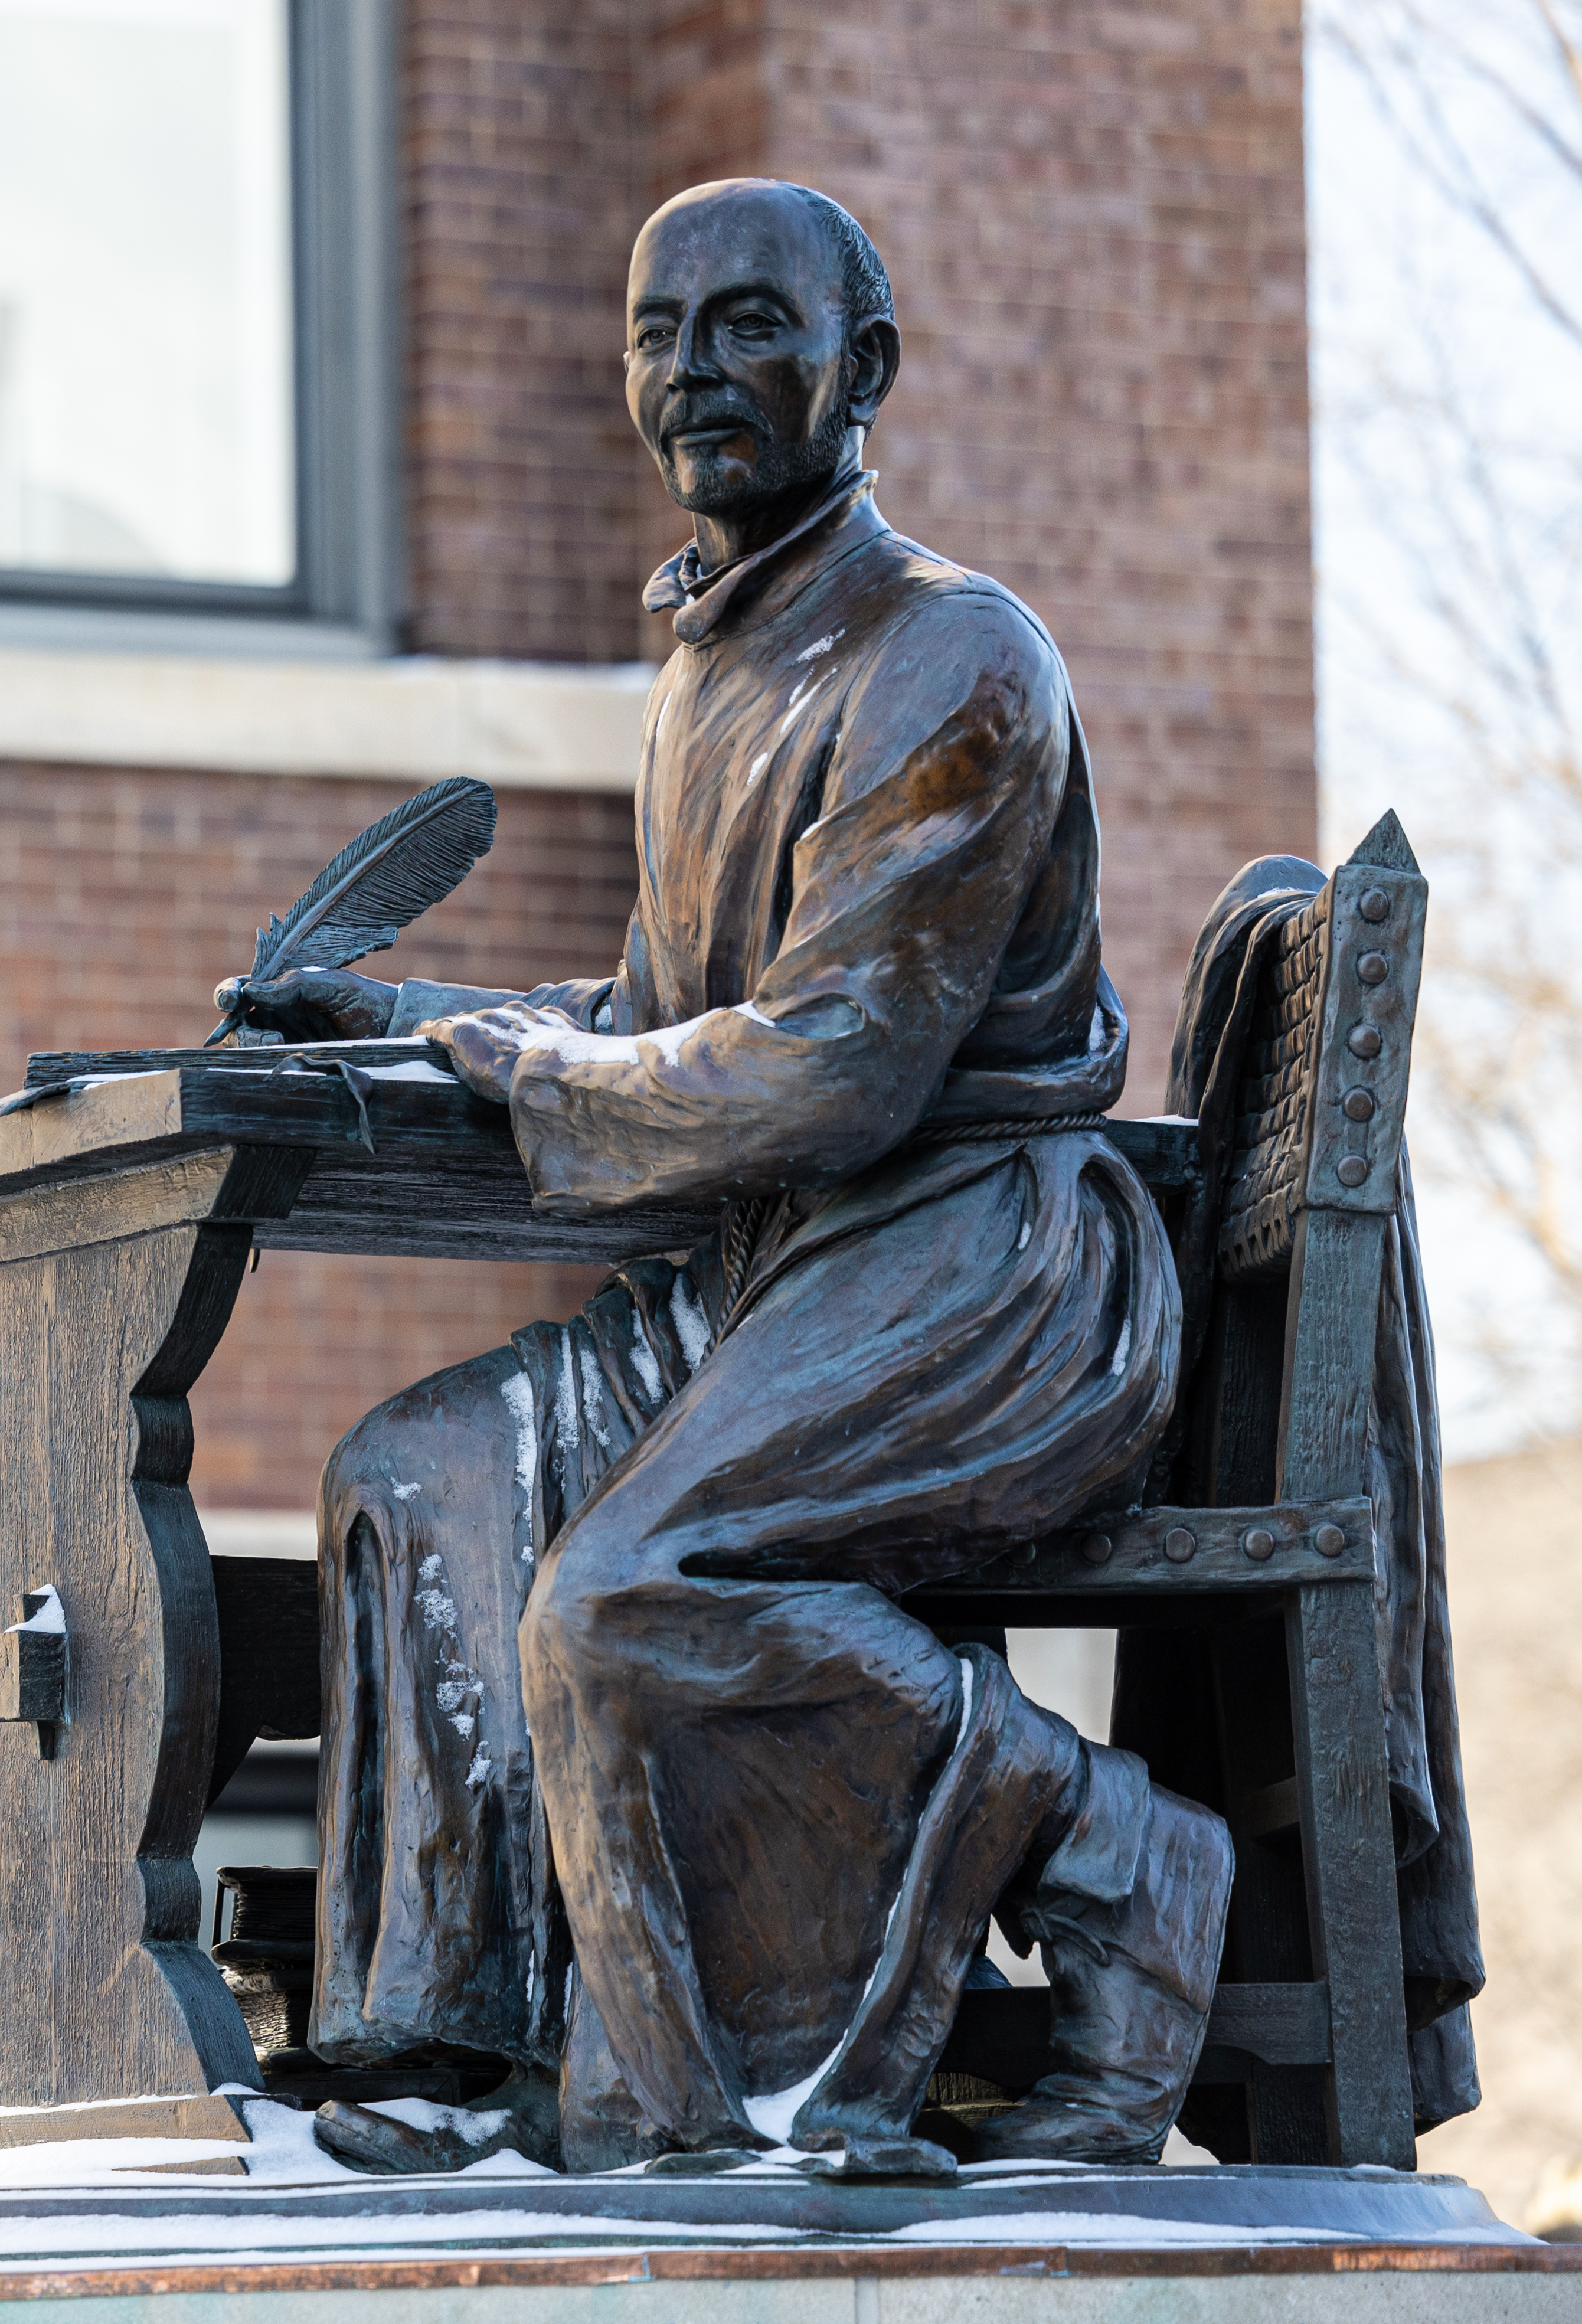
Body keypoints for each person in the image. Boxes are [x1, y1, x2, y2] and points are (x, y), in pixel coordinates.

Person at [227, 178, 1230, 2172]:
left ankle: (1110, 1854)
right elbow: (671, 1004)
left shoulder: (952, 653)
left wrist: (554, 1072)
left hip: (982, 1269)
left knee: (629, 1591)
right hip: (791, 1261)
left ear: (861, 370)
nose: (694, 371)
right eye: (655, 331)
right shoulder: (712, 662)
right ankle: (455, 2046)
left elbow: (842, 1065)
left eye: (748, 325)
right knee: (417, 1469)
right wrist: (432, 1019)